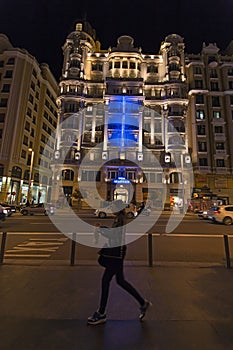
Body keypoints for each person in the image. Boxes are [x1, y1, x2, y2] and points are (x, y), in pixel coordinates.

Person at [87, 200, 152, 325]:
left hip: (116, 253)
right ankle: (143, 303)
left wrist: (101, 229)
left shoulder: (120, 219)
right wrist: (103, 228)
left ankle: (101, 313)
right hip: (117, 252)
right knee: (120, 281)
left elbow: (115, 236)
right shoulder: (120, 217)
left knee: (106, 281)